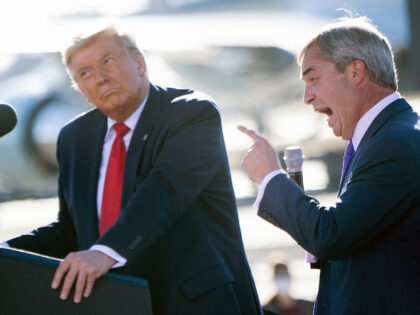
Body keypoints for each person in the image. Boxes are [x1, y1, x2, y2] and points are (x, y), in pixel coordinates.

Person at [4, 22, 262, 314]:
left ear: (139, 62)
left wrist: (104, 252)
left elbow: (166, 191)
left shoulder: (192, 113)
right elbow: (71, 230)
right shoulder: (74, 137)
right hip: (114, 304)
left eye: (107, 61)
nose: (100, 78)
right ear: (82, 91)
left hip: (196, 303)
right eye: (85, 73)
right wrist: (7, 252)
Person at [239, 16, 420, 314]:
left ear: (355, 71)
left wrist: (270, 177)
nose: (307, 97)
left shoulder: (393, 144)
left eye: (313, 79)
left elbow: (331, 235)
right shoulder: (384, 138)